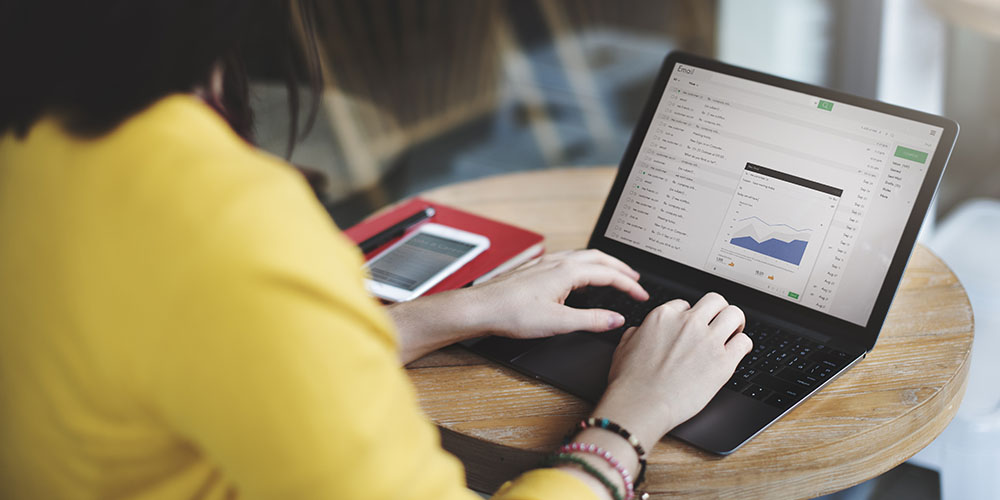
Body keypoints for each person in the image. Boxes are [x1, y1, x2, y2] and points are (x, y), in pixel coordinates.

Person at [0, 2, 752, 499]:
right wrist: (629, 420)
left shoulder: (32, 144)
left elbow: (217, 353)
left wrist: (450, 314)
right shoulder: (226, 216)